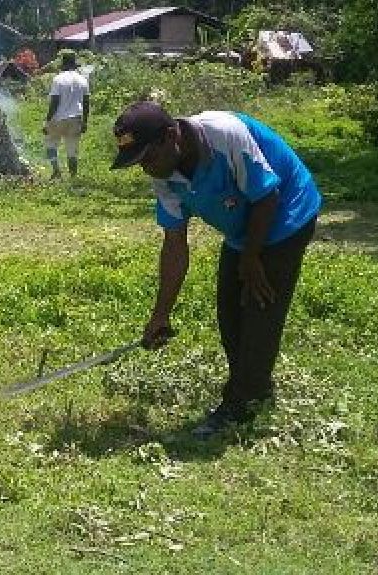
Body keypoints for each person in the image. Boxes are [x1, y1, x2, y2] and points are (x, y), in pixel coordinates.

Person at [110, 101, 321, 439]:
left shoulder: (225, 135)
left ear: (170, 136)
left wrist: (251, 261)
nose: (146, 169)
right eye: (139, 163)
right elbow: (175, 245)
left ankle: (239, 406)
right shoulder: (164, 174)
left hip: (286, 215)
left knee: (258, 310)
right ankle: (255, 391)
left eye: (147, 158)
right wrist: (160, 314)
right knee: (230, 315)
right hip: (243, 230)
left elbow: (268, 197)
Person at [43, 50, 90, 178]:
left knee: (51, 143)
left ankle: (56, 171)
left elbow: (54, 102)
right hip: (76, 118)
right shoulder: (83, 80)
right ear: (75, 65)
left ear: (63, 65)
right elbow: (86, 103)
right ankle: (73, 176)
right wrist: (85, 121)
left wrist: (47, 121)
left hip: (58, 118)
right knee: (72, 149)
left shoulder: (58, 79)